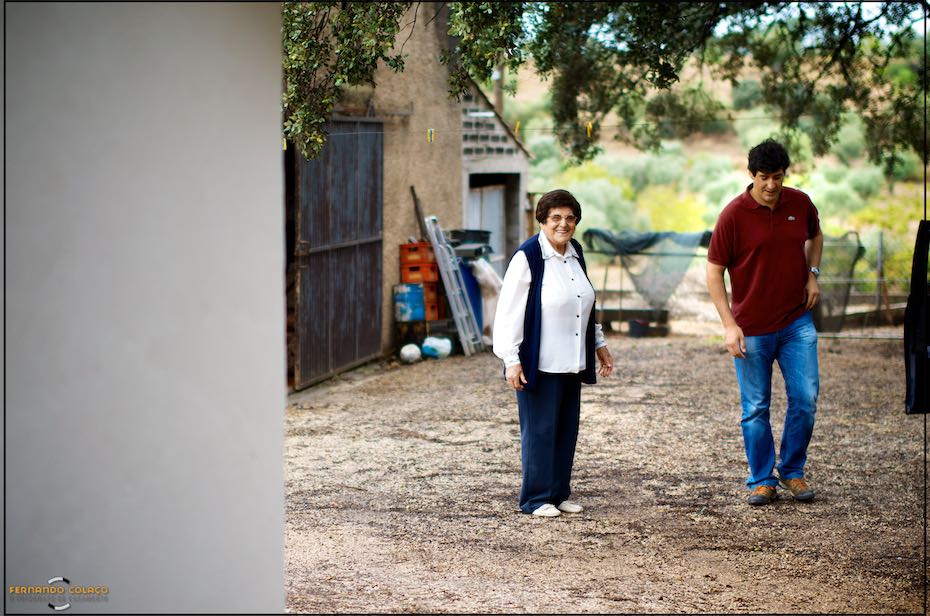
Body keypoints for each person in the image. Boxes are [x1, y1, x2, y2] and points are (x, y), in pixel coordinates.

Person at [706, 139, 823, 507]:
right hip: (751, 327)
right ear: (751, 176)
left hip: (795, 323)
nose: (771, 185)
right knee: (755, 407)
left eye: (777, 177)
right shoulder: (733, 215)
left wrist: (812, 273)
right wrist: (729, 324)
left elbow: (816, 235)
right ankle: (761, 479)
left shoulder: (800, 203)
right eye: (763, 178)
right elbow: (713, 274)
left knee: (805, 398)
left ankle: (792, 472)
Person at [493, 189, 614, 518]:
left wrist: (599, 344)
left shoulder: (576, 253)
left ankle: (559, 493)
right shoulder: (528, 257)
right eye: (556, 218)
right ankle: (535, 498)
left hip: (572, 360)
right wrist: (511, 359)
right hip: (540, 362)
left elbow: (585, 304)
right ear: (543, 220)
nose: (564, 224)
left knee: (565, 430)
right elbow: (508, 312)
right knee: (540, 431)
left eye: (570, 218)